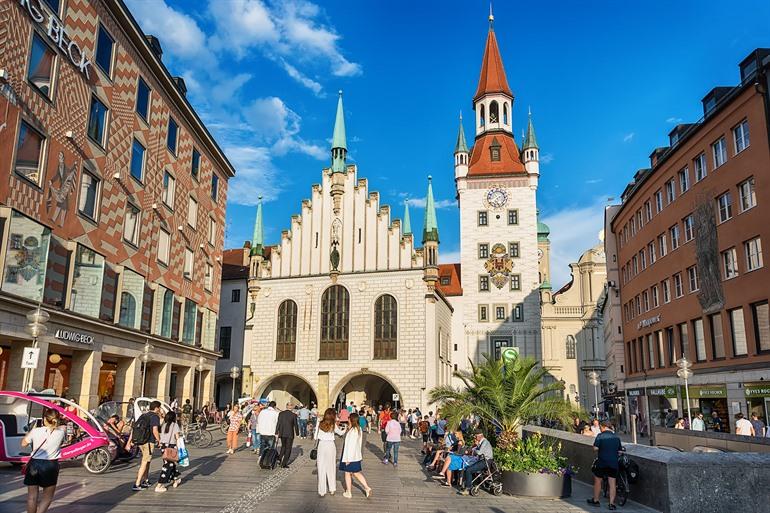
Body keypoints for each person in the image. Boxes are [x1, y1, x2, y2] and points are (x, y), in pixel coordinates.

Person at [22, 408, 66, 513]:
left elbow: (23, 444)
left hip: (34, 464)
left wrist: (30, 432)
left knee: (32, 497)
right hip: (51, 464)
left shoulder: (36, 431)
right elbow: (61, 443)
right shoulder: (61, 433)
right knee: (47, 497)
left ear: (45, 419)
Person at [127, 400, 162, 491]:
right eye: (159, 408)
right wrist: (159, 441)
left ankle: (145, 480)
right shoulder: (155, 417)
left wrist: (129, 442)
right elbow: (155, 431)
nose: (160, 410)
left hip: (140, 442)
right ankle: (137, 483)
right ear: (156, 408)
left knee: (147, 460)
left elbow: (134, 429)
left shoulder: (144, 415)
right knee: (145, 461)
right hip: (148, 442)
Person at [587, 421, 622, 510]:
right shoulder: (616, 437)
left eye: (600, 427)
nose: (600, 429)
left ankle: (596, 500)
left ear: (603, 427)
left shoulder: (600, 436)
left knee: (598, 481)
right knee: (612, 482)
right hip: (613, 463)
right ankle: (611, 504)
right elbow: (620, 451)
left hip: (602, 462)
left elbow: (595, 448)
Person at [340, 412, 372, 498]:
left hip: (350, 456)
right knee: (356, 473)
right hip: (356, 456)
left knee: (347, 473)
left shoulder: (353, 431)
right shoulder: (358, 429)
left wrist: (348, 459)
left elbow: (350, 446)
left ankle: (349, 492)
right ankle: (366, 487)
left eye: (348, 418)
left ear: (351, 419)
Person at [315, 408, 345, 497]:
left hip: (321, 445)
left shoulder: (320, 423)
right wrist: (345, 428)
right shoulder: (333, 425)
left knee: (321, 468)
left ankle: (322, 491)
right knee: (331, 467)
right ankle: (332, 489)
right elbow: (341, 433)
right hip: (330, 446)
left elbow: (315, 437)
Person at [458, 430, 493, 496]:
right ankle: (467, 484)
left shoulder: (485, 442)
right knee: (467, 468)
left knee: (469, 470)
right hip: (482, 460)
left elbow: (479, 452)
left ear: (480, 436)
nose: (475, 438)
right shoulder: (482, 442)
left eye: (476, 436)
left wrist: (473, 451)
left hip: (486, 462)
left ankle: (468, 488)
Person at [156, 411, 182, 492]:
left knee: (170, 464)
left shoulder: (164, 425)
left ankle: (175, 480)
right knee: (167, 466)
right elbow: (177, 437)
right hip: (171, 447)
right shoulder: (175, 425)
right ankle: (159, 485)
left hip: (164, 447)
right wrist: (180, 447)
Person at [276, 402, 299, 468]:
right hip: (290, 434)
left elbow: (278, 423)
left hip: (282, 433)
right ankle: (284, 464)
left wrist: (276, 431)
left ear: (286, 406)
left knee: (283, 446)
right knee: (288, 448)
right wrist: (297, 433)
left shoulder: (281, 413)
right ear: (291, 407)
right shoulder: (293, 415)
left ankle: (280, 459)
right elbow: (296, 425)